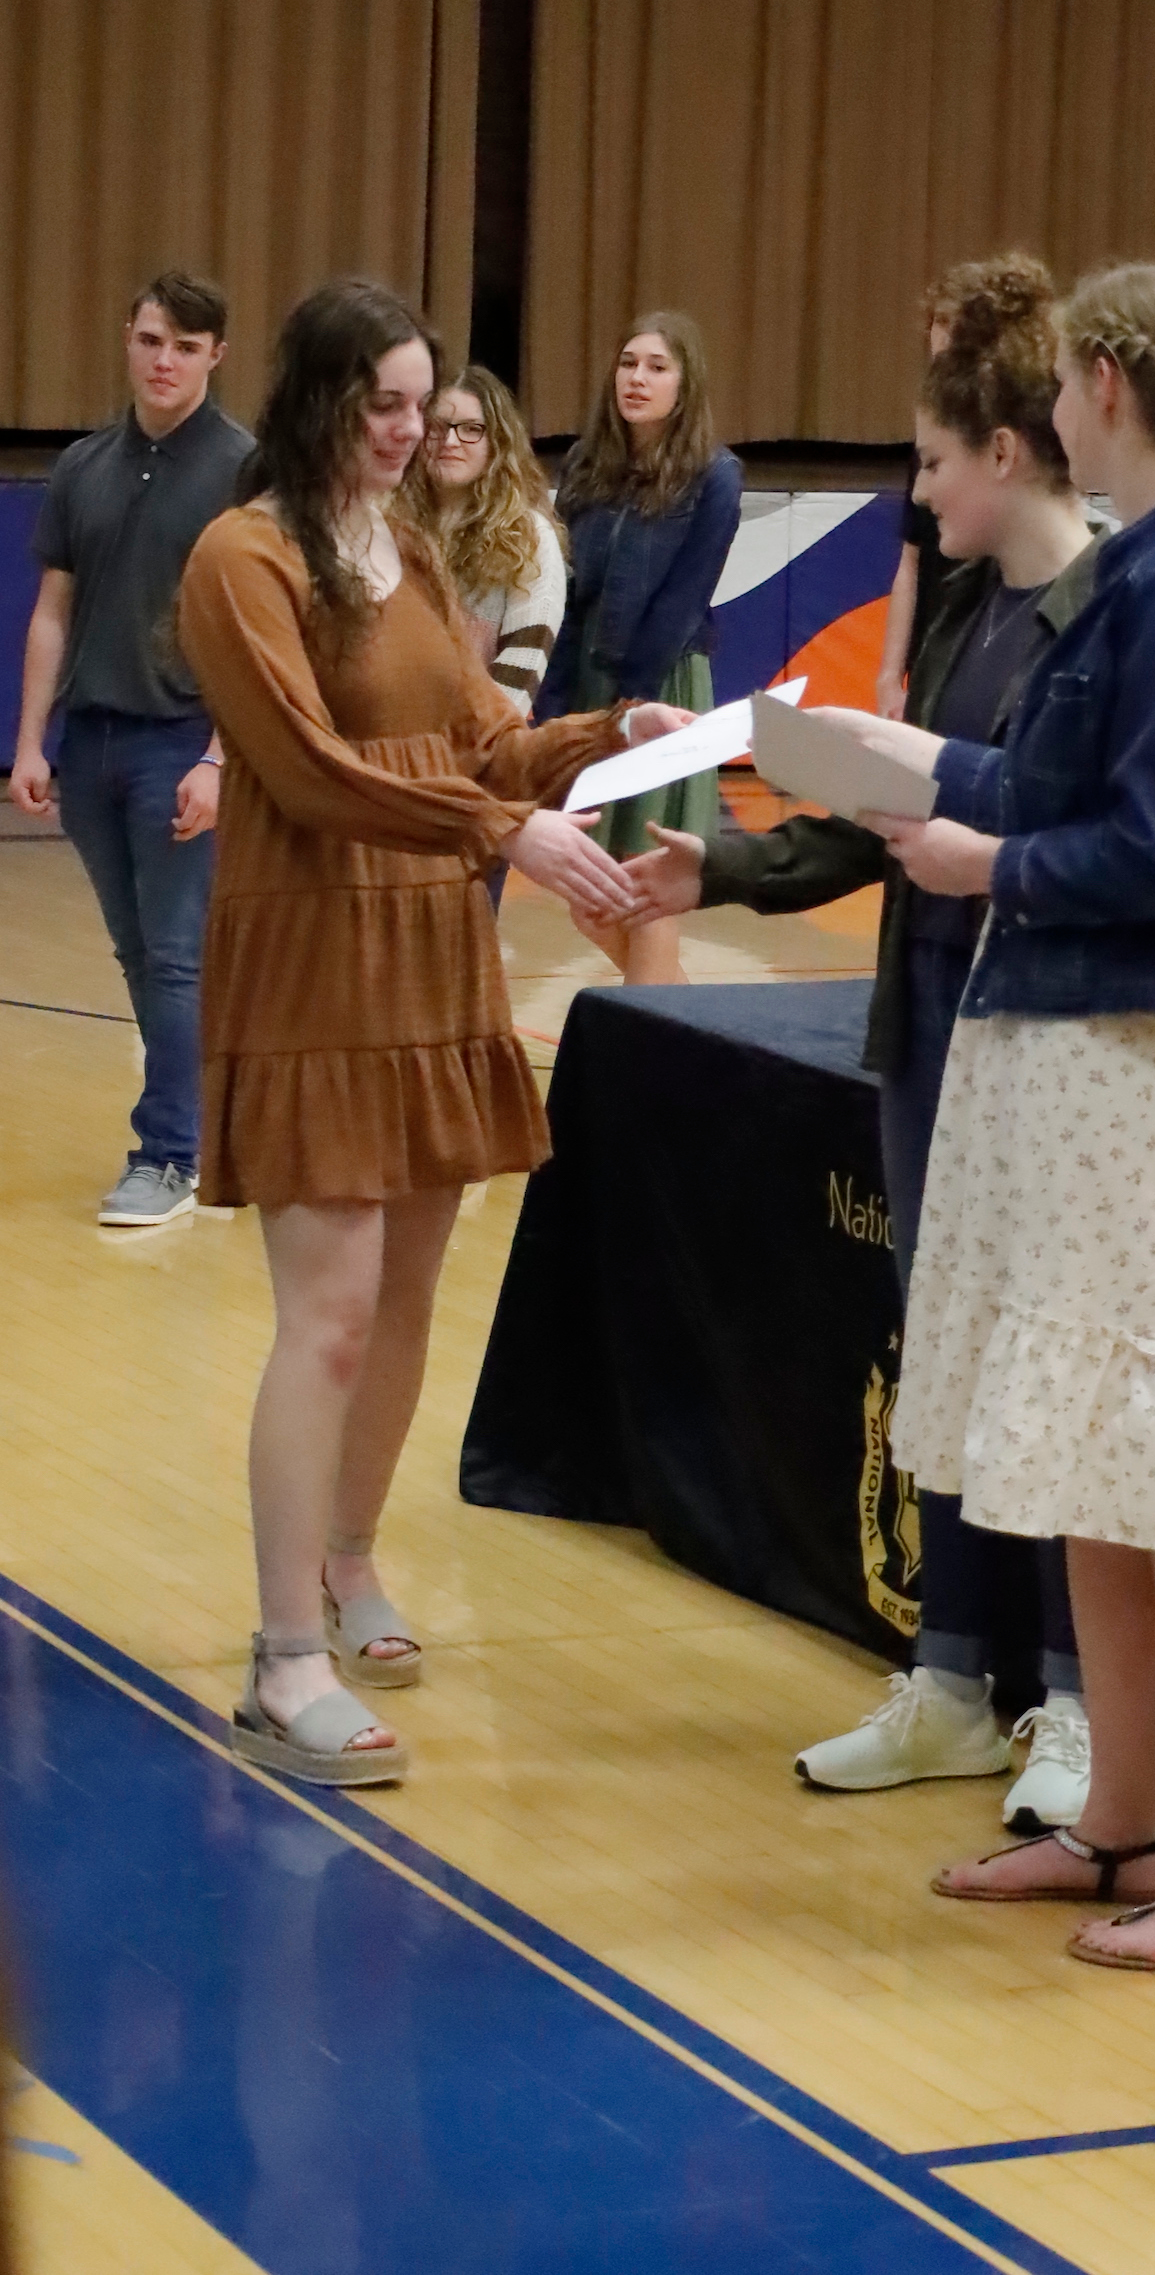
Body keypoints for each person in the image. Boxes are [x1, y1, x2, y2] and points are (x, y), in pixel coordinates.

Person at [822, 261, 1155, 1973]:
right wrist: (878, 764)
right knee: (1103, 1460)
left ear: (1103, 384)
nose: (1039, 410)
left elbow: (1151, 849)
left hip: (1141, 1063)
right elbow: (1045, 782)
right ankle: (1121, 1821)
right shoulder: (1144, 568)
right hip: (1077, 1054)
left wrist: (989, 867)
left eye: (1056, 387)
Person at [176, 277, 686, 1789]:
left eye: (420, 403)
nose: (407, 430)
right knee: (327, 1316)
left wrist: (607, 734)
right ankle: (281, 1658)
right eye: (381, 403)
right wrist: (501, 830)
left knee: (403, 1300)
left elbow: (481, 738)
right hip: (314, 961)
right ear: (317, 399)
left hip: (426, 955)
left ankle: (349, 1557)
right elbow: (311, 770)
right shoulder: (241, 557)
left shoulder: (401, 547)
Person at [628, 257, 1103, 1830]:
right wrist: (722, 846)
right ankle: (952, 1676)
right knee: (941, 1353)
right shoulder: (965, 596)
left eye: (927, 460)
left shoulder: (1108, 609)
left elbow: (1054, 821)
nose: (914, 492)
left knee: (1045, 1367)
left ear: (1004, 450)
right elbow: (892, 798)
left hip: (1043, 1039)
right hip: (926, 1026)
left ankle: (1075, 1699)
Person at [8, 271, 253, 1226]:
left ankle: (169, 1154)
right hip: (92, 741)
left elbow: (258, 632)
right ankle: (213, 1128)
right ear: (128, 338)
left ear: (215, 356)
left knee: (176, 955)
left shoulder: (244, 469)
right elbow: (52, 612)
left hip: (183, 742)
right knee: (138, 955)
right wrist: (32, 741)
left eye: (186, 347)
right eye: (152, 341)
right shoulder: (84, 466)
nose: (164, 361)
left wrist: (221, 758)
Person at [535, 310, 743, 985]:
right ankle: (681, 1025)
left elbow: (685, 598)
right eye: (628, 363)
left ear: (685, 383)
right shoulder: (585, 464)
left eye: (656, 367)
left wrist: (635, 701)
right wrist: (557, 709)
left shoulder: (715, 476)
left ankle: (658, 1035)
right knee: (590, 898)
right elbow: (565, 589)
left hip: (663, 685)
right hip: (588, 684)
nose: (637, 378)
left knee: (645, 887)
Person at [427, 364, 566, 720]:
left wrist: (470, 741)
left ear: (498, 442)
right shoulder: (389, 523)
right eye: (438, 427)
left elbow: (521, 670)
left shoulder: (529, 536)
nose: (450, 441)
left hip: (480, 740)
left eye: (471, 429)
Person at [874, 275, 961, 719]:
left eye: (957, 324)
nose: (944, 337)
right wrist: (890, 675)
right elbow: (910, 562)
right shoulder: (928, 434)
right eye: (939, 323)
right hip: (930, 653)